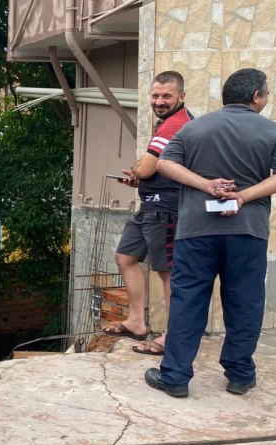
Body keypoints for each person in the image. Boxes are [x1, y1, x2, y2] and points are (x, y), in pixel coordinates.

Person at [145, 68, 276, 398]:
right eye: (267, 93)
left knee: (188, 299)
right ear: (257, 96)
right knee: (244, 301)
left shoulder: (194, 129)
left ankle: (174, 376)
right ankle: (240, 374)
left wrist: (205, 184)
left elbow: (164, 164)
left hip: (196, 231)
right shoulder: (273, 131)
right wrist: (244, 195)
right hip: (248, 231)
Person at [106, 71, 194, 356]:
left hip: (167, 209)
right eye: (155, 95)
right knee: (125, 257)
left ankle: (171, 336)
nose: (159, 100)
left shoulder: (176, 125)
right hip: (150, 207)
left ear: (181, 96)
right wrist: (139, 175)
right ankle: (136, 321)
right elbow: (146, 169)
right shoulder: (165, 123)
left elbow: (145, 168)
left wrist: (138, 173)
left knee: (168, 274)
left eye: (167, 95)